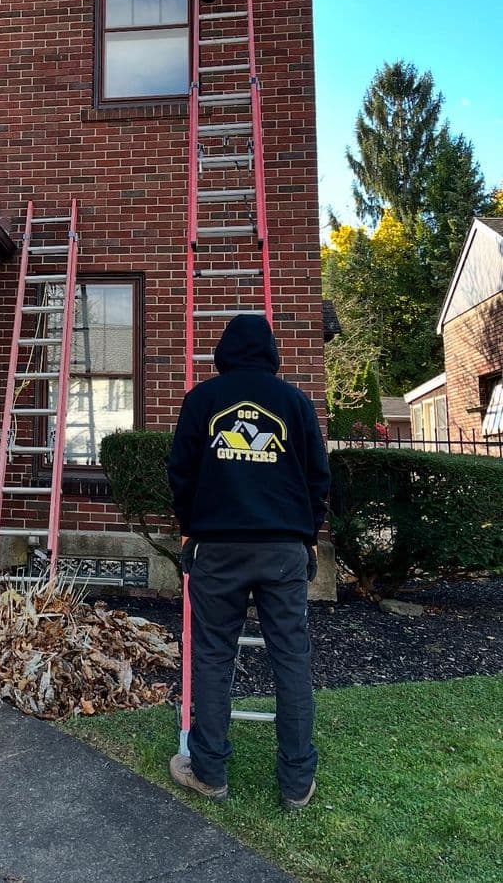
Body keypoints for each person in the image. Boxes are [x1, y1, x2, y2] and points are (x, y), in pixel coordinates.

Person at [165, 313, 329, 810]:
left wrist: (190, 526)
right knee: (291, 660)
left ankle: (209, 771)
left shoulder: (202, 400)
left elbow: (181, 473)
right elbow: (319, 477)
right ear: (272, 354)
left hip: (217, 549)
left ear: (223, 353)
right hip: (283, 550)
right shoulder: (295, 402)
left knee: (213, 656)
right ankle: (297, 782)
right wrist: (310, 535)